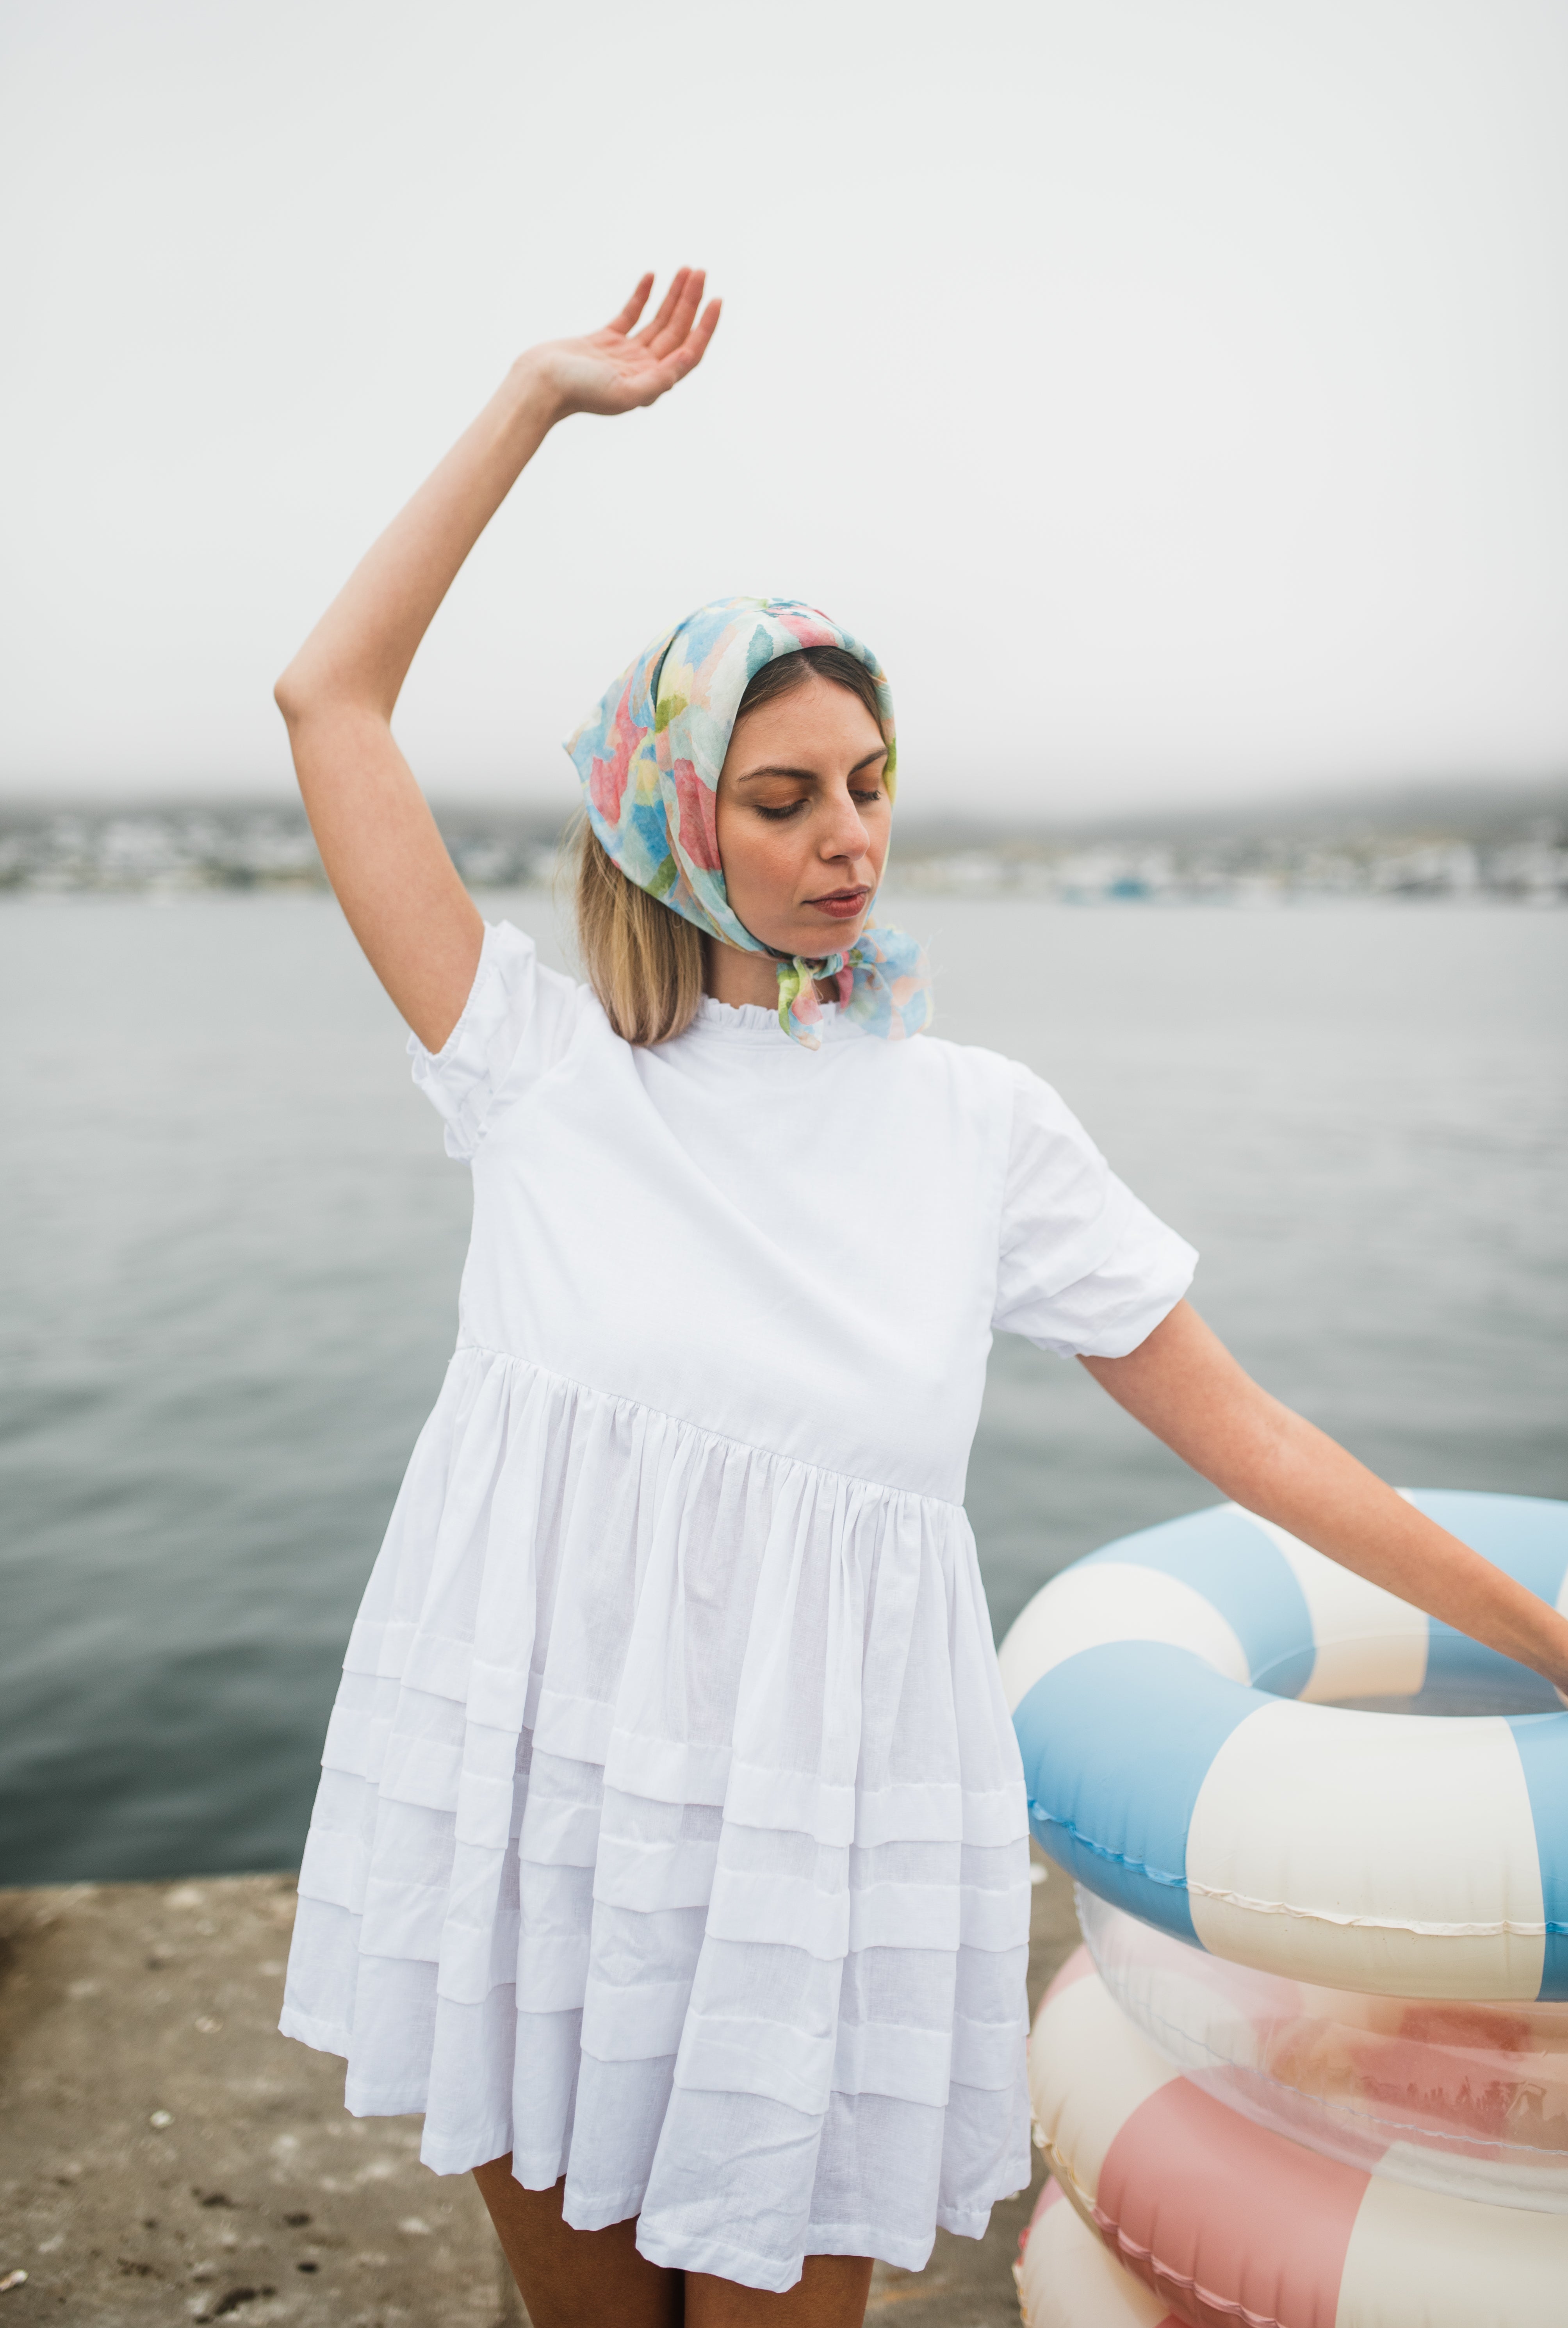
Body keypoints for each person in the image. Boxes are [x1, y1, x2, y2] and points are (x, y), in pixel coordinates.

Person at [271, 269, 1568, 2328]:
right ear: (672, 821)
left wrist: (1553, 1637)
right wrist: (531, 398)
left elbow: (1253, 1437)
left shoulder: (978, 1129)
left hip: (822, 1865)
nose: (850, 840)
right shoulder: (537, 1071)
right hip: (552, 1840)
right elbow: (329, 702)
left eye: (869, 783)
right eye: (784, 799)